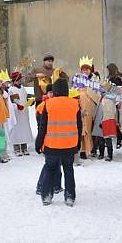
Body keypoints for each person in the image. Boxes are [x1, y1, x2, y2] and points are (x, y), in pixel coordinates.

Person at [36, 77, 81, 206]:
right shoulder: (74, 104)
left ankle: (46, 196)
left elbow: (42, 127)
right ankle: (70, 196)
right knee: (68, 169)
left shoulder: (48, 104)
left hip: (52, 144)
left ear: (54, 91)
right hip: (69, 144)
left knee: (50, 169)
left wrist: (39, 144)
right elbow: (79, 126)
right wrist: (78, 144)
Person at [73, 56, 100, 161]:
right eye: (83, 69)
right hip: (80, 105)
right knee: (81, 127)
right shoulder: (77, 79)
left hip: (91, 106)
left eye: (87, 69)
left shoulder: (94, 79)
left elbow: (97, 94)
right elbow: (74, 91)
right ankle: (82, 149)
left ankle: (90, 148)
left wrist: (87, 91)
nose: (85, 71)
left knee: (89, 127)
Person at [7, 71, 33, 156]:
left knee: (24, 129)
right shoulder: (11, 89)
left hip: (24, 112)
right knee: (16, 129)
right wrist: (16, 105)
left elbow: (25, 96)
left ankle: (24, 147)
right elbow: (11, 101)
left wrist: (30, 101)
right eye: (19, 80)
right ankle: (17, 148)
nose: (20, 81)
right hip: (16, 113)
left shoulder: (22, 88)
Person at [97, 81, 118, 161]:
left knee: (107, 138)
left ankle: (109, 155)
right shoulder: (103, 98)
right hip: (103, 120)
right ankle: (102, 154)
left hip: (106, 120)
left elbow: (109, 111)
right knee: (101, 138)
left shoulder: (108, 99)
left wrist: (102, 120)